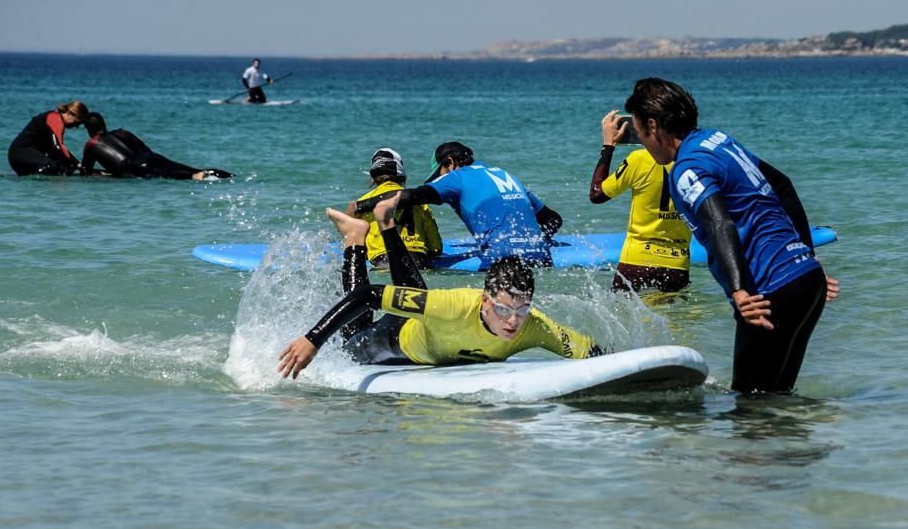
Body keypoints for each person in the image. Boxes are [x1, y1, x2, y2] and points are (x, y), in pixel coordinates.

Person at [623, 77, 840, 394]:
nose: (641, 140)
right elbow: (783, 185)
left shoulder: (688, 168)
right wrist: (806, 255)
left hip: (767, 293)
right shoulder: (717, 141)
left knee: (748, 403)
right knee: (775, 398)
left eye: (640, 131)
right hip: (806, 282)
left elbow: (719, 223)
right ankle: (796, 443)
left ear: (653, 125)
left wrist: (739, 291)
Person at [277, 204, 601, 380]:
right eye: (503, 310)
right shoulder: (454, 306)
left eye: (522, 310)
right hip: (393, 343)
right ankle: (355, 239)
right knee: (353, 335)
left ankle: (387, 227)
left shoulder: (532, 325)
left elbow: (592, 353)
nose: (513, 322)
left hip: (425, 326)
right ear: (485, 300)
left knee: (416, 295)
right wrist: (313, 340)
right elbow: (368, 295)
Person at [353, 142, 563, 269]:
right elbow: (554, 220)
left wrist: (361, 205)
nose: (439, 180)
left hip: (500, 262)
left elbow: (409, 196)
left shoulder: (457, 177)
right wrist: (531, 242)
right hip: (542, 258)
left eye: (439, 174)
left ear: (450, 163)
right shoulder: (505, 174)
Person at [589, 110, 691, 293]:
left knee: (622, 317)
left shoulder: (638, 159)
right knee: (675, 320)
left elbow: (597, 194)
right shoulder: (694, 160)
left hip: (637, 260)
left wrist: (608, 145)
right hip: (677, 264)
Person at [349, 148, 442, 270]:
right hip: (418, 260)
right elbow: (436, 248)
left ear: (373, 178)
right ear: (402, 176)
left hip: (382, 261)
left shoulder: (362, 203)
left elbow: (355, 244)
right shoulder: (419, 203)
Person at [80, 113, 232, 180]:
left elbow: (86, 171)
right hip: (150, 156)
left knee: (171, 176)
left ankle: (193, 177)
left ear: (88, 129)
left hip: (133, 165)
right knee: (193, 169)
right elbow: (145, 150)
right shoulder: (122, 132)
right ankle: (229, 176)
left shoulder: (91, 144)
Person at [8, 100, 88, 176]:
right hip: (21, 153)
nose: (77, 126)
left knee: (62, 166)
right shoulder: (55, 118)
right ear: (70, 113)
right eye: (77, 122)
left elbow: (55, 150)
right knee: (52, 167)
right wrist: (76, 164)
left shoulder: (55, 119)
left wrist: (76, 164)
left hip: (20, 156)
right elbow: (58, 147)